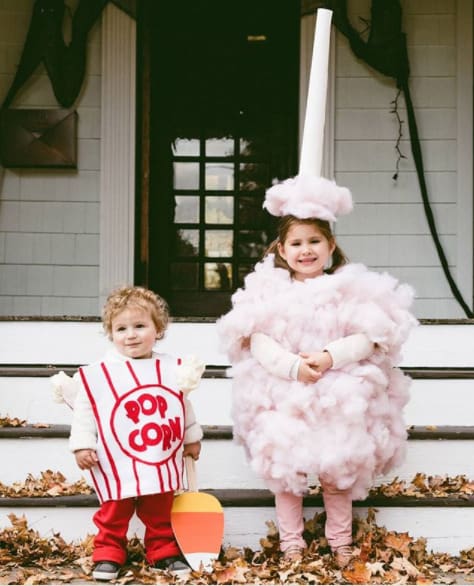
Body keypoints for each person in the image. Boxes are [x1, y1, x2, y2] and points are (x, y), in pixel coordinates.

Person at [217, 175, 417, 569]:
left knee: (336, 470)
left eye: (314, 242)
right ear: (281, 249)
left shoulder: (349, 288)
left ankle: (339, 541)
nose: (306, 250)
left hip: (339, 391)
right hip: (284, 393)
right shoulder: (269, 291)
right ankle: (292, 543)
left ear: (330, 246)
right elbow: (257, 340)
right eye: (296, 243)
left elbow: (369, 337)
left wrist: (328, 357)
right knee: (287, 473)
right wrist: (292, 366)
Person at [52, 286, 204, 581]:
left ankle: (163, 550)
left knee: (160, 507)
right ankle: (108, 552)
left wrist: (191, 437)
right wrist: (82, 445)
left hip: (158, 453)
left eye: (139, 326)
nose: (130, 335)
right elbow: (87, 409)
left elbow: (181, 404)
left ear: (157, 329)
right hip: (116, 457)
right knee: (114, 510)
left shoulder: (171, 368)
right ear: (111, 333)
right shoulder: (99, 374)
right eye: (121, 328)